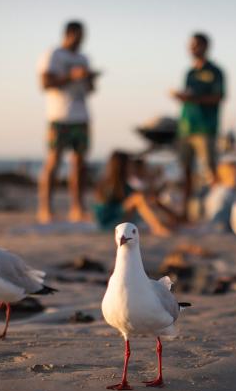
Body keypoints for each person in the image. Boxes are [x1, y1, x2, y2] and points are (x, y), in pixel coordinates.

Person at [37, 21, 99, 224]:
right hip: (59, 116)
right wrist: (72, 76)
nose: (82, 40)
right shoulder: (54, 54)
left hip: (81, 117)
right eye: (80, 36)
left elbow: (90, 90)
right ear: (69, 34)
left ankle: (77, 208)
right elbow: (45, 83)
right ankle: (46, 209)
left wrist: (90, 78)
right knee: (54, 161)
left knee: (79, 164)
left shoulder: (84, 58)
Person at [170, 32, 226, 222]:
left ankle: (217, 213)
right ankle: (186, 213)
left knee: (211, 171)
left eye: (196, 45)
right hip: (186, 127)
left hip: (206, 128)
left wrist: (193, 98)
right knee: (186, 170)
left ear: (205, 47)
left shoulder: (215, 71)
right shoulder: (189, 73)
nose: (192, 49)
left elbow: (219, 97)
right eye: (191, 45)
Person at [92, 151, 176, 236]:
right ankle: (157, 227)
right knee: (138, 198)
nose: (132, 167)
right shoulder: (109, 185)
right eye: (130, 165)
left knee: (149, 198)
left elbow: (147, 195)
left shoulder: (124, 184)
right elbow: (103, 211)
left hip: (123, 217)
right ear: (122, 166)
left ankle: (177, 218)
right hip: (110, 221)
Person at [204, 161, 236, 232]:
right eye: (232, 175)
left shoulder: (218, 190)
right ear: (223, 177)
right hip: (222, 225)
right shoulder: (226, 192)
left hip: (217, 224)